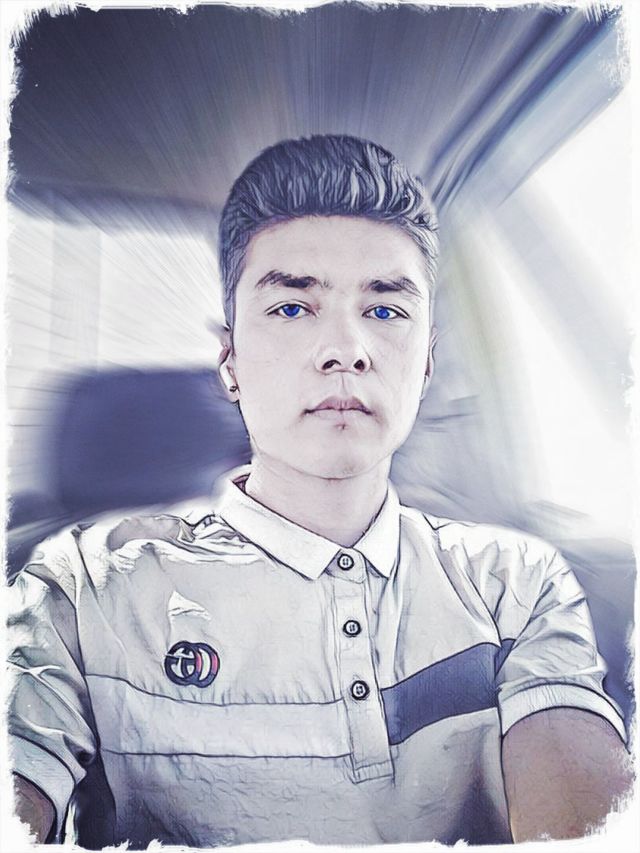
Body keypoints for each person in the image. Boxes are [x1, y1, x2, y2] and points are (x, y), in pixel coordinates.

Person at [8, 135, 632, 848]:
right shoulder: (81, 588)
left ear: (427, 361)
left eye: (386, 310)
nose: (346, 349)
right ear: (230, 360)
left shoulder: (516, 582)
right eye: (292, 308)